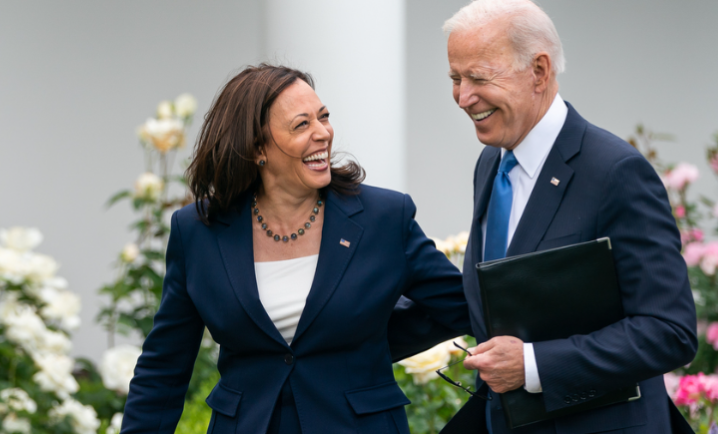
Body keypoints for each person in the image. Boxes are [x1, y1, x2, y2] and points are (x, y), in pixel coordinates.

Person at [397, 1, 699, 433]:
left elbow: (669, 331)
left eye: (479, 77)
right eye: (455, 78)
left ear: (539, 71)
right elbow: (497, 299)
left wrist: (533, 364)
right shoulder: (491, 163)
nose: (463, 97)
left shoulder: (614, 172)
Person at [120, 64, 471, 434]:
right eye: (302, 125)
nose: (323, 134)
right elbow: (165, 366)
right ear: (258, 147)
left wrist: (371, 340)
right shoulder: (198, 230)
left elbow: (461, 307)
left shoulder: (384, 218)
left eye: (324, 117)